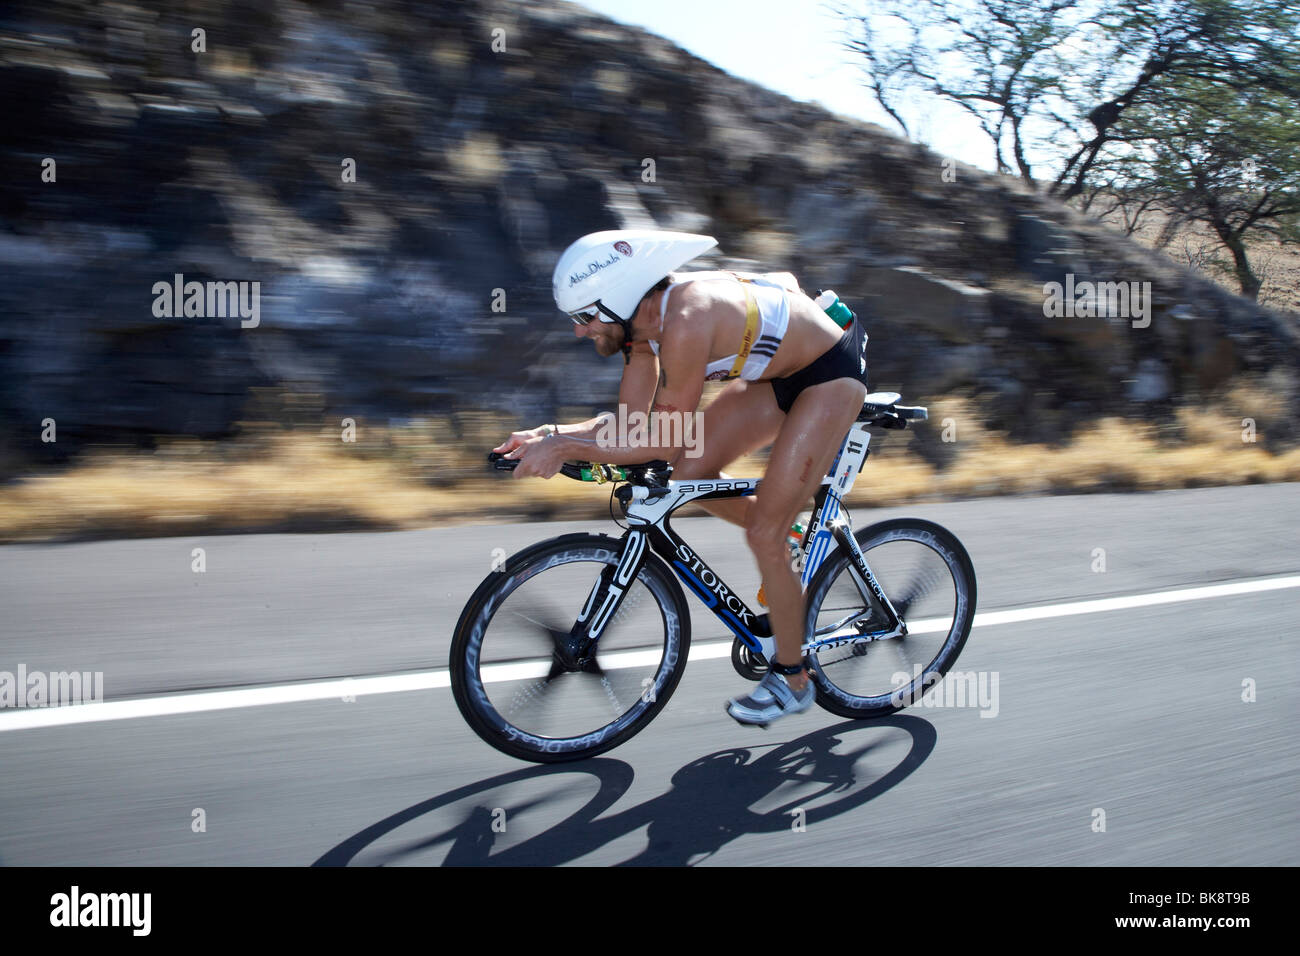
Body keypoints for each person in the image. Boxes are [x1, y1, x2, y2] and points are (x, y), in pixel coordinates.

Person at [492, 229, 869, 726]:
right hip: (776, 375)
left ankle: (794, 678)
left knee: (762, 534)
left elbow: (665, 438)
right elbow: (633, 432)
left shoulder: (685, 324)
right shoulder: (641, 336)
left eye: (585, 318)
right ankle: (792, 536)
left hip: (827, 376)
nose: (580, 332)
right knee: (688, 472)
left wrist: (562, 447)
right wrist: (553, 432)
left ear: (622, 298)